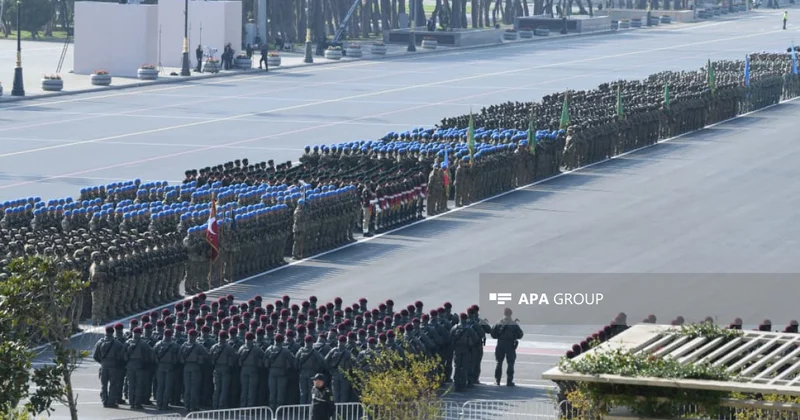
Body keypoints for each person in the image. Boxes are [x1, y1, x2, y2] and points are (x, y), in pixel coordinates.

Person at [490, 307, 524, 387]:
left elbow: (493, 334)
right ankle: (509, 381)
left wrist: (500, 336)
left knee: (499, 362)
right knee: (510, 363)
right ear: (511, 314)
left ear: (504, 314)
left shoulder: (499, 323)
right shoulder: (514, 324)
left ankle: (497, 380)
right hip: (510, 345)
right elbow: (520, 335)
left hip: (500, 344)